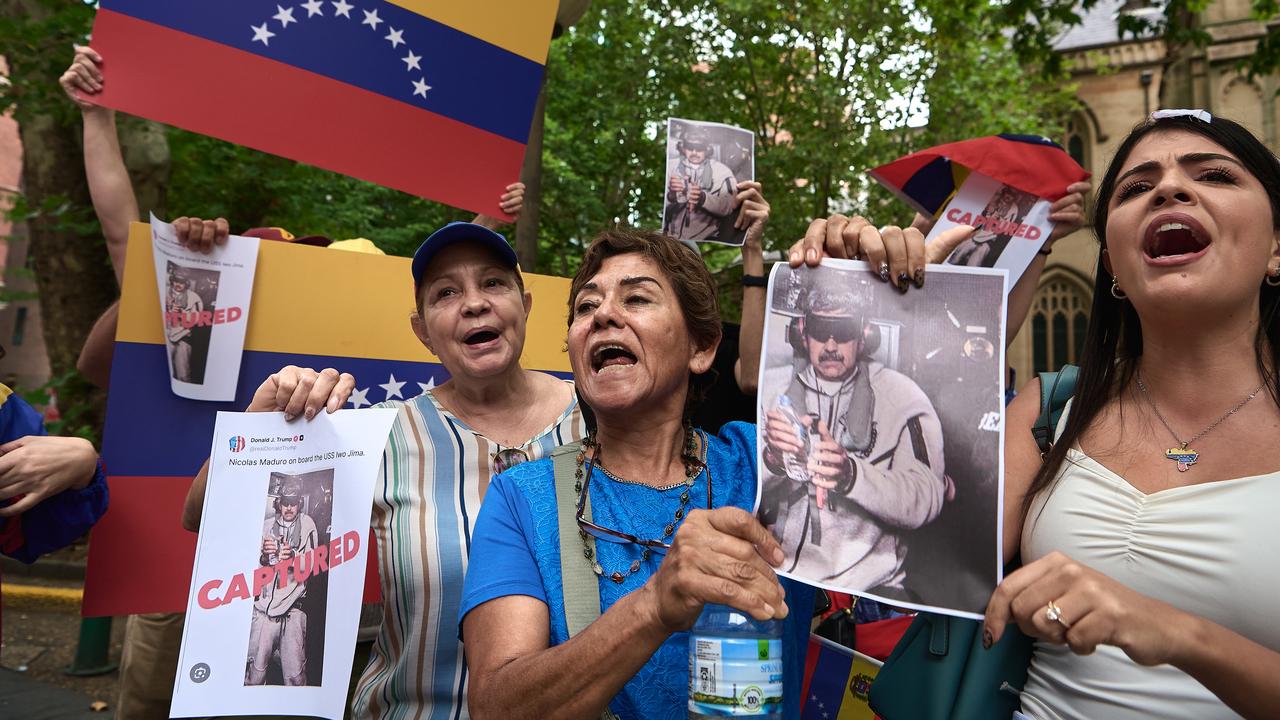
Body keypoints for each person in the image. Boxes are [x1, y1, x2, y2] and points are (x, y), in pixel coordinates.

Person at [183, 215, 578, 717]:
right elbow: (202, 516)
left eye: (494, 283)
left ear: (525, 306)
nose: (474, 303)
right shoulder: (381, 435)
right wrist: (260, 425)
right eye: (446, 293)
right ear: (422, 331)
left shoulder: (600, 419)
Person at [976, 111, 1280, 720]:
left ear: (1277, 247)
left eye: (1214, 175)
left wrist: (1177, 633)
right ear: (1112, 263)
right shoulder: (1049, 411)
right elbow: (913, 561)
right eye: (1136, 187)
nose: (1169, 188)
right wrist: (888, 294)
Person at [759, 283, 946, 598]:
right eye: (821, 330)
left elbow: (926, 496)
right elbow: (739, 485)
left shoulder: (904, 397)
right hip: (779, 582)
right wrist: (774, 460)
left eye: (844, 331)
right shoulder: (770, 389)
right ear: (802, 333)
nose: (831, 345)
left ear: (864, 336)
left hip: (869, 593)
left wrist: (852, 476)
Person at [247, 478, 319, 686]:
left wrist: (293, 557)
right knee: (255, 675)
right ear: (278, 503)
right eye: (285, 502)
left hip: (293, 611)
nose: (289, 508)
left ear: (300, 504)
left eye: (293, 503)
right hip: (263, 611)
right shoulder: (266, 526)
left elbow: (314, 565)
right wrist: (263, 557)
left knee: (295, 677)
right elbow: (249, 567)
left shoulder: (307, 524)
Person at [664, 127, 739, 242]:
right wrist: (672, 196)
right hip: (671, 238)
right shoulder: (670, 167)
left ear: (707, 149)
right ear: (682, 147)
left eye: (699, 147)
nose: (694, 152)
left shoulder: (722, 171)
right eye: (690, 146)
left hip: (706, 240)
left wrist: (703, 198)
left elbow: (730, 206)